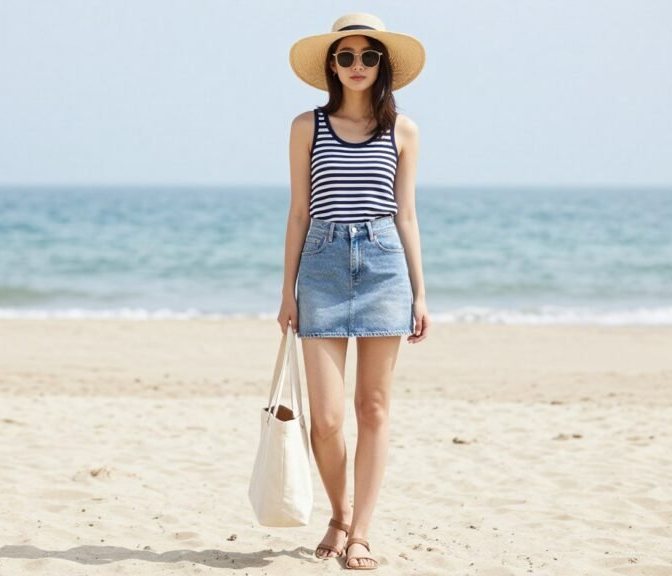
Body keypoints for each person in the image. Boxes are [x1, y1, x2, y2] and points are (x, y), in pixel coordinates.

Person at [278, 12, 430, 570]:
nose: (358, 66)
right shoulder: (306, 126)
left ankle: (359, 530)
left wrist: (420, 293)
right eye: (346, 56)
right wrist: (287, 290)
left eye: (369, 57)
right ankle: (338, 513)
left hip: (385, 267)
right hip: (318, 267)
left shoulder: (403, 130)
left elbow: (407, 215)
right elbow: (298, 213)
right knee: (326, 418)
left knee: (372, 408)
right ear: (331, 65)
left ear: (383, 65)